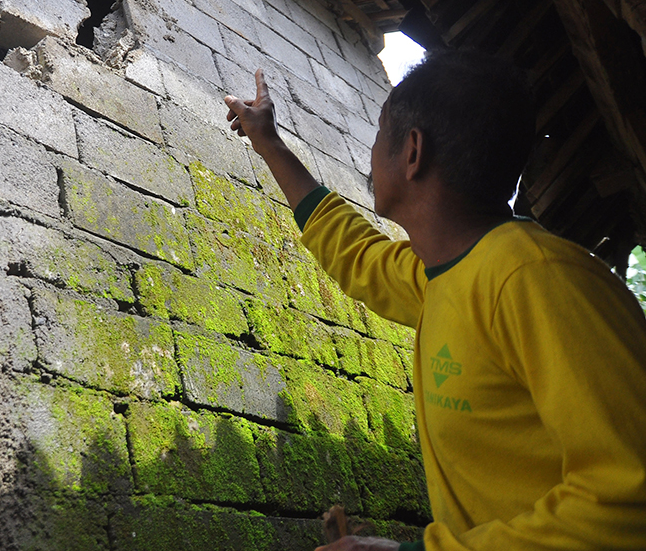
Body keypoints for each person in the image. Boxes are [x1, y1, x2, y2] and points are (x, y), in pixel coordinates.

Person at [223, 52, 646, 551]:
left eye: (381, 133)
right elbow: (357, 253)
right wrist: (268, 143)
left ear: (413, 151)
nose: (372, 148)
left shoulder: (541, 281)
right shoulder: (445, 276)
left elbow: (628, 500)